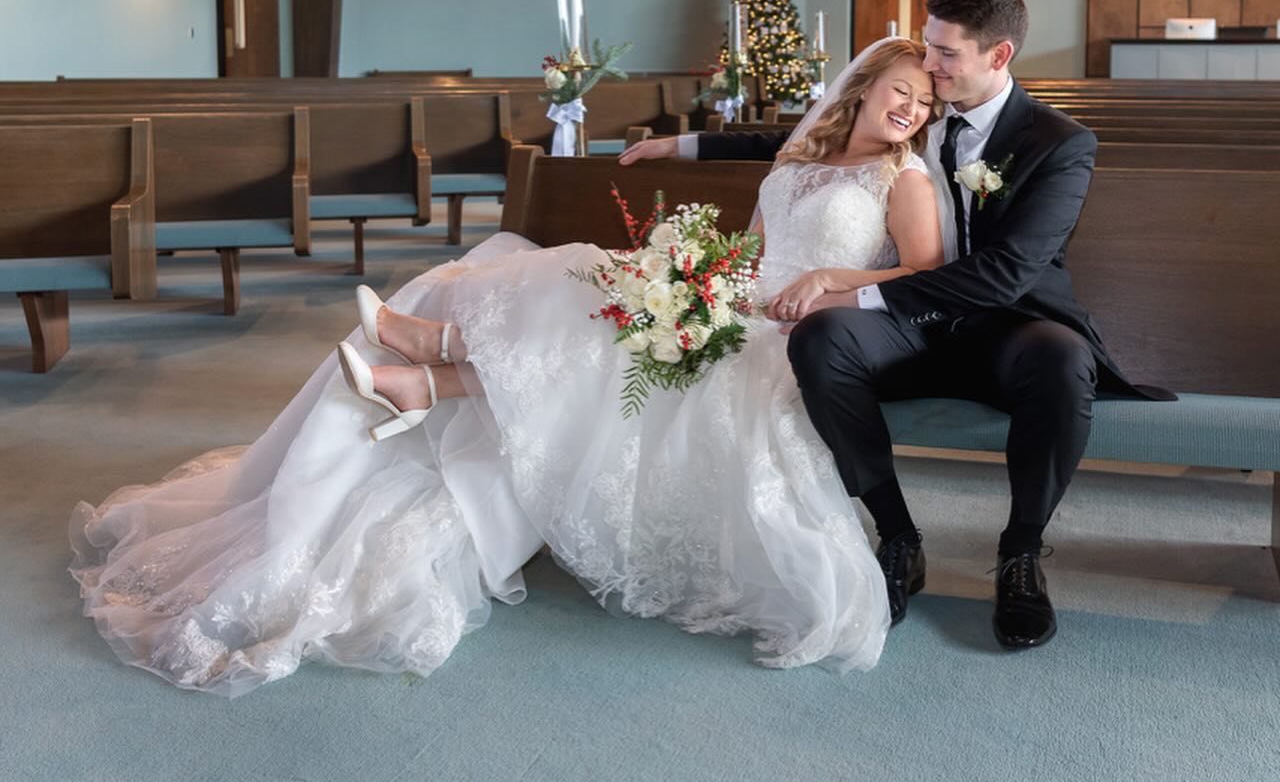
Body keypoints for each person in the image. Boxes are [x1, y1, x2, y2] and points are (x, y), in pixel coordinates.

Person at [70, 40, 941, 697]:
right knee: (595, 284)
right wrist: (703, 279)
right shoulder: (799, 160)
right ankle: (434, 363)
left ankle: (438, 367)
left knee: (606, 323)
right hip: (736, 303)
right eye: (901, 89)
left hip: (798, 334)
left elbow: (922, 275)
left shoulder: (902, 181)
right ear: (865, 87)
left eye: (925, 101)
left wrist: (829, 281)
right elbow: (755, 251)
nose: (910, 108)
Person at [623, 0, 1169, 650]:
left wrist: (850, 288)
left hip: (1007, 323)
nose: (929, 67)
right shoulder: (927, 106)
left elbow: (1008, 273)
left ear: (997, 57)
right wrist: (681, 145)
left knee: (1062, 360)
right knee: (821, 337)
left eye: (946, 54)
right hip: (912, 329)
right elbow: (809, 137)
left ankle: (1022, 552)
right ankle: (898, 535)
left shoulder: (1058, 143)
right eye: (928, 52)